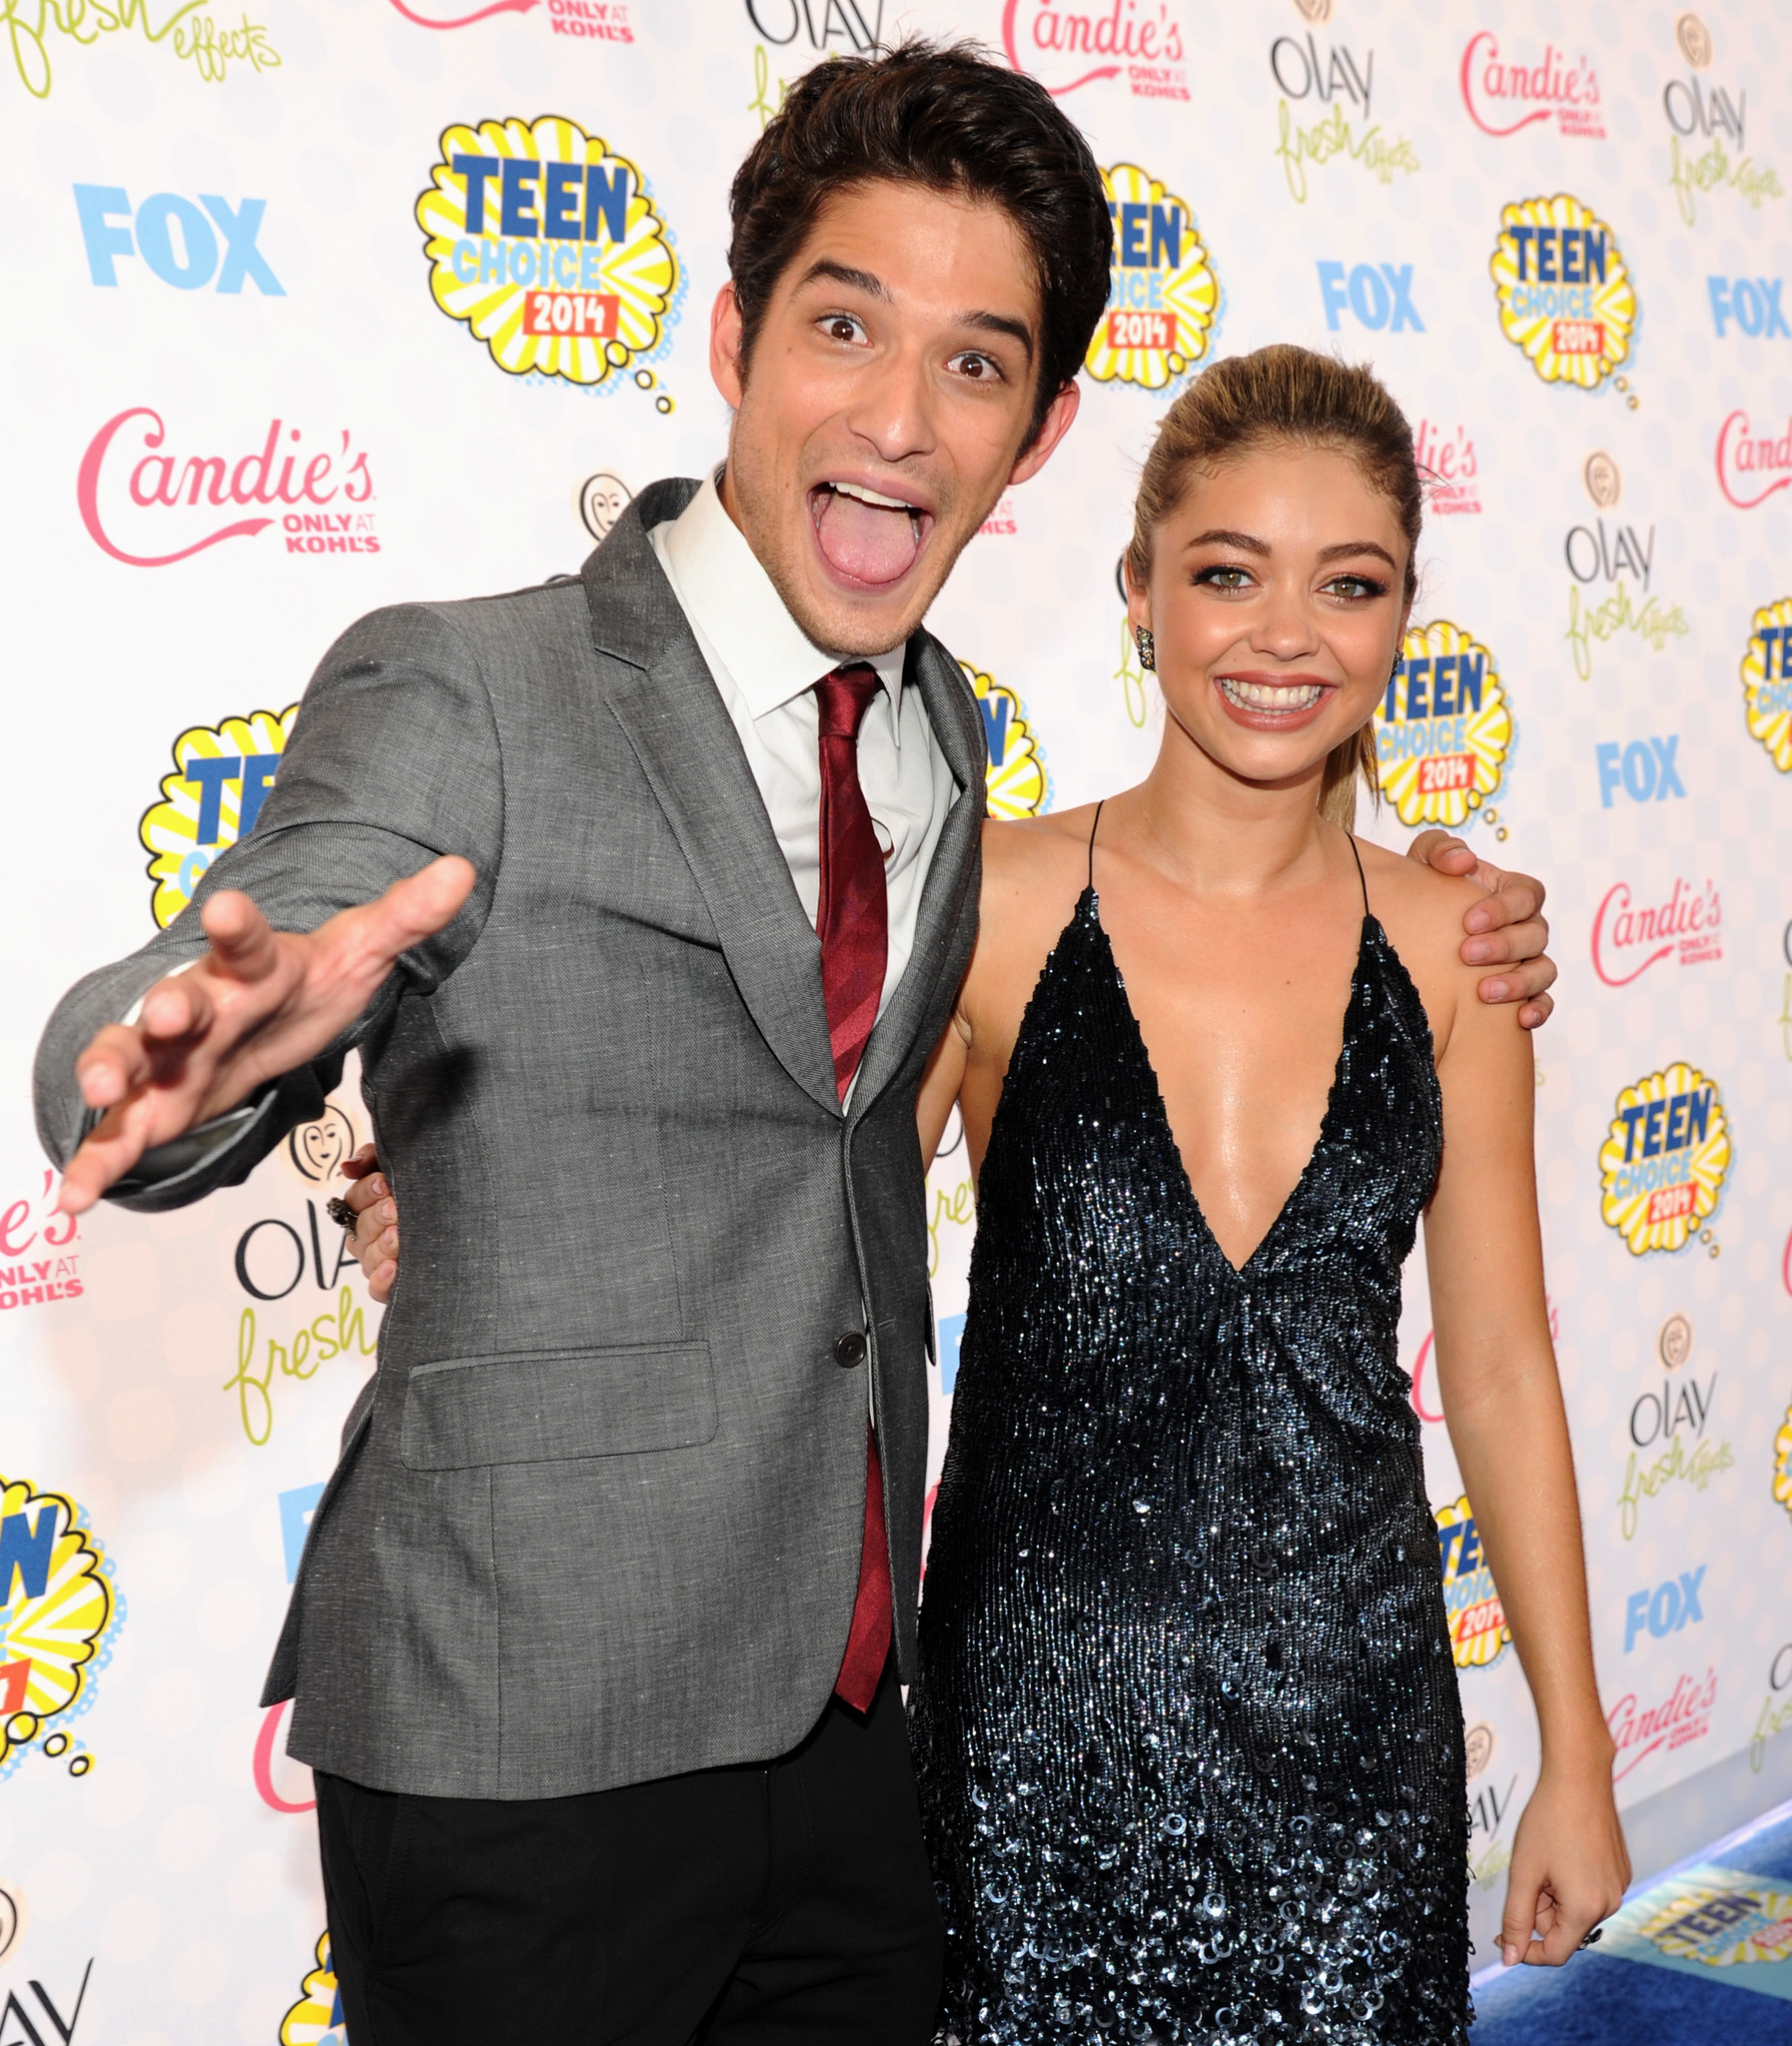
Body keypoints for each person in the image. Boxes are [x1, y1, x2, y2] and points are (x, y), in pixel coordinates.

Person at [34, 42, 1556, 2046]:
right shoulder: (466, 684)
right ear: (740, 335)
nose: (900, 417)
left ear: (1038, 431)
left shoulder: (948, 743)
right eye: (847, 324)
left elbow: (835, 1134)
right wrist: (182, 1072)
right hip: (524, 1743)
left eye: (977, 363)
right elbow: (219, 985)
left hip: (858, 1750)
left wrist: (1411, 883)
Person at [907, 347, 1628, 2044]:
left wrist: (1576, 1756)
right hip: (1034, 1720)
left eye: (1348, 584)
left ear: (1398, 626)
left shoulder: (1460, 942)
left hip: (1355, 1721)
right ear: (1141, 594)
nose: (1284, 635)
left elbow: (1505, 1368)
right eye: (1226, 572)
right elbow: (807, 1260)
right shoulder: (992, 898)